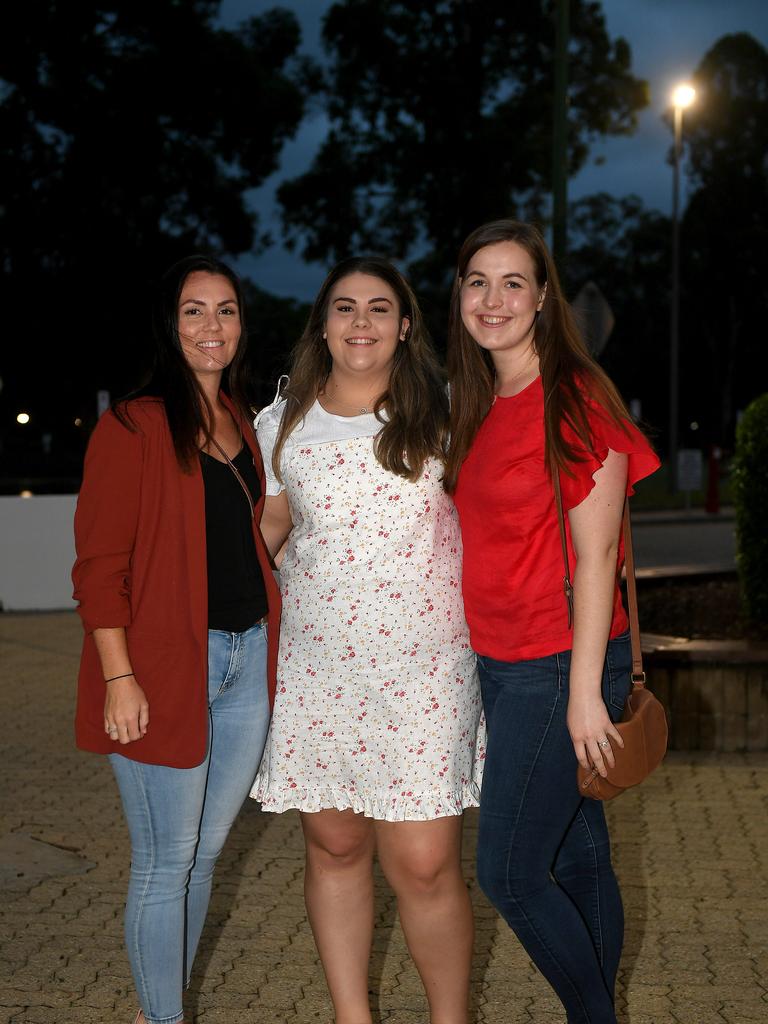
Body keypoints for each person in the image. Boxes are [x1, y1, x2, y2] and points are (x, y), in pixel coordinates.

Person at [252, 256, 484, 1024]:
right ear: (322, 323)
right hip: (320, 671)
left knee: (422, 862)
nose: (361, 322)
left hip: (425, 670)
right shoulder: (281, 423)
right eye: (344, 307)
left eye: (379, 308)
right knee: (337, 848)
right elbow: (270, 533)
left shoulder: (448, 416)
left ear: (405, 325)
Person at [444, 220, 659, 1024]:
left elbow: (599, 556)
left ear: (541, 300)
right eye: (477, 282)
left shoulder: (572, 398)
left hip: (558, 664)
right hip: (502, 664)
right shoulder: (479, 399)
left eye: (512, 283)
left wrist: (580, 695)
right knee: (579, 858)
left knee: (508, 873)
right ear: (460, 295)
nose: (492, 299)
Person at [72, 255, 281, 1024]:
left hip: (245, 661)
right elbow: (99, 565)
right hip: (163, 670)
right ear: (170, 323)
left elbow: (252, 538)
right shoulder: (134, 424)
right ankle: (164, 1019)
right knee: (165, 864)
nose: (212, 326)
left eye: (226, 310)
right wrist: (119, 678)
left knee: (202, 857)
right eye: (195, 310)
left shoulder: (241, 421)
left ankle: (154, 1012)